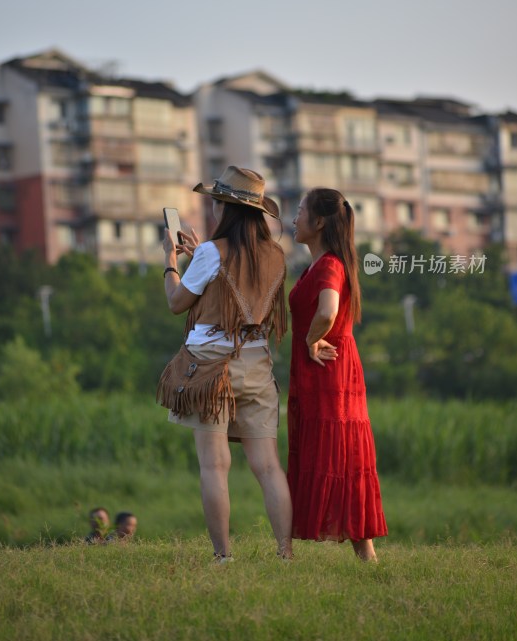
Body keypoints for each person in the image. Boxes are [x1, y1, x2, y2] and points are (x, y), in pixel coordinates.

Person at [161, 166, 293, 562]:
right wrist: (201, 254)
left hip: (210, 368)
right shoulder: (275, 255)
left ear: (226, 209)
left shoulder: (210, 254)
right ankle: (285, 555)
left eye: (216, 203)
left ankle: (223, 557)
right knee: (268, 466)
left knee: (215, 466)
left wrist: (170, 260)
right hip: (257, 364)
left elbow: (176, 302)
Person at [287, 188, 387, 561]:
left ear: (319, 222)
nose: (293, 219)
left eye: (299, 212)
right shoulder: (320, 263)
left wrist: (312, 342)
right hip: (327, 370)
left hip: (329, 369)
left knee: (341, 453)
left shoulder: (329, 265)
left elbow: (328, 311)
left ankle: (365, 554)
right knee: (343, 454)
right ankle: (366, 556)